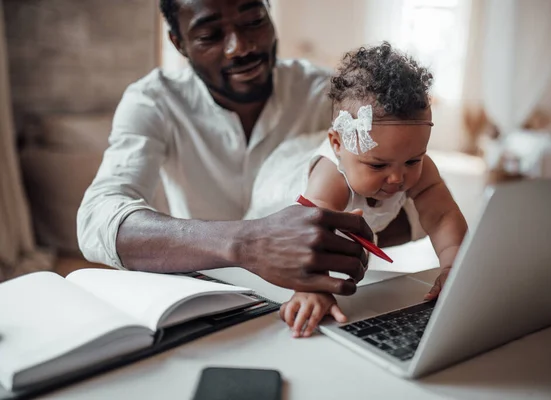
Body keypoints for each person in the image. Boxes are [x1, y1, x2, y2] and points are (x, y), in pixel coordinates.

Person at [77, 0, 444, 298]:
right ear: (179, 43)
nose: (241, 47)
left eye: (253, 20)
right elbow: (98, 218)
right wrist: (249, 243)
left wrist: (345, 228)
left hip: (320, 294)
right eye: (210, 35)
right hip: (202, 299)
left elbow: (413, 201)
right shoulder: (153, 102)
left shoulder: (330, 95)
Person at [246, 43, 467, 338]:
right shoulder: (331, 178)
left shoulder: (415, 166)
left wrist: (453, 266)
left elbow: (441, 216)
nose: (397, 178)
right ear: (338, 145)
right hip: (279, 199)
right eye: (378, 166)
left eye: (413, 160)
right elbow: (307, 234)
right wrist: (312, 288)